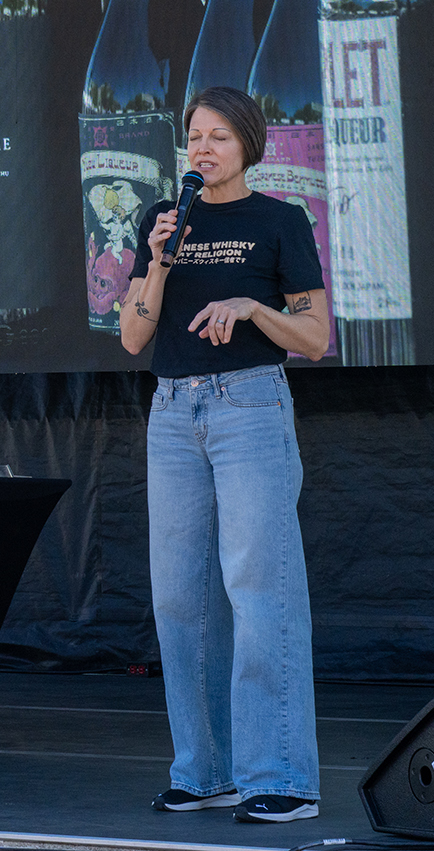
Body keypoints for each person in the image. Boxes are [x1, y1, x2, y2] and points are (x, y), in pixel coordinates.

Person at [120, 87, 329, 824]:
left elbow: (314, 336)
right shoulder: (161, 222)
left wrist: (252, 309)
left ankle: (280, 775)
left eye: (217, 137)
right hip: (173, 410)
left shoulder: (278, 220)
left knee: (256, 585)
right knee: (179, 595)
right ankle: (203, 769)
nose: (201, 149)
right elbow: (132, 337)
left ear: (247, 143)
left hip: (248, 405)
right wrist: (156, 263)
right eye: (193, 137)